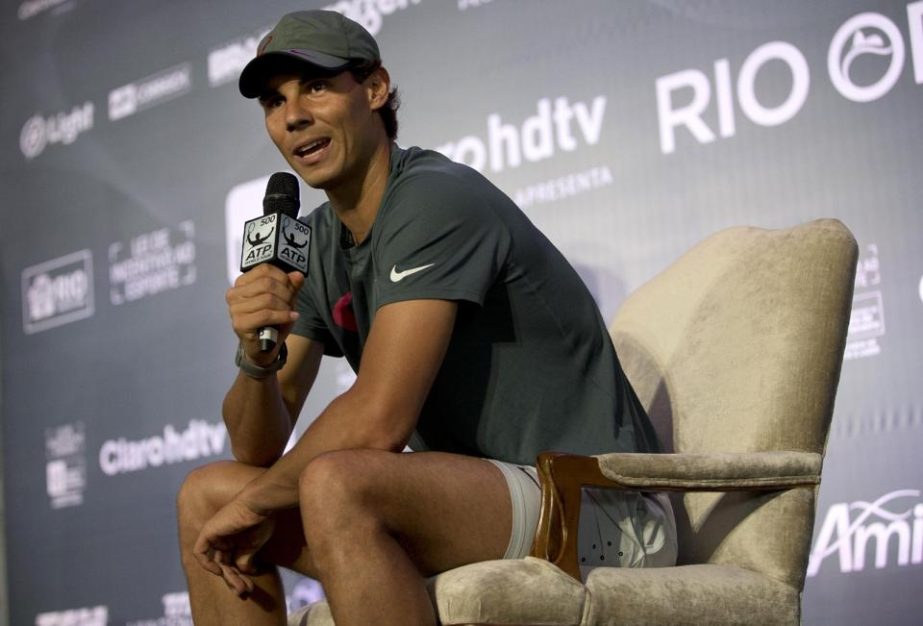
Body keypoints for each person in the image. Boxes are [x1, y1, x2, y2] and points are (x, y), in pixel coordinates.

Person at [177, 9, 676, 626]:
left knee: (339, 482)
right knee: (206, 496)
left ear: (376, 89)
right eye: (274, 102)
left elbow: (380, 418)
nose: (293, 115)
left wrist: (257, 506)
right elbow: (255, 447)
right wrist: (256, 355)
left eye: (315, 86)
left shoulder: (434, 197)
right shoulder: (312, 243)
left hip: (599, 504)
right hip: (481, 498)